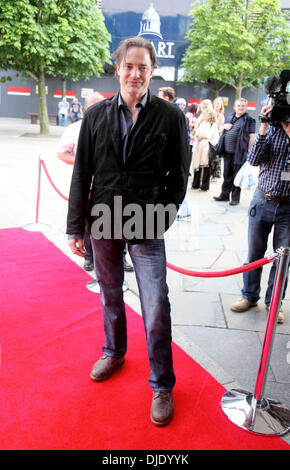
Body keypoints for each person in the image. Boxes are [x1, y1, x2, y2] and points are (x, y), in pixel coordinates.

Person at [66, 37, 190, 426]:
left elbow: (179, 176)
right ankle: (114, 351)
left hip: (147, 221)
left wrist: (161, 216)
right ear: (117, 68)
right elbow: (81, 171)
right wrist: (75, 226)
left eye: (143, 67)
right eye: (129, 66)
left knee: (155, 306)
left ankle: (162, 384)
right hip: (102, 217)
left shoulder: (171, 117)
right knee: (110, 293)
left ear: (152, 72)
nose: (135, 73)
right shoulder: (96, 115)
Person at [231, 104, 290, 324]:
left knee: (283, 259)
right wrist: (264, 126)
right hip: (262, 200)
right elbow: (253, 159)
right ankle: (249, 296)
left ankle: (274, 303)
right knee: (254, 254)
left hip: (287, 207)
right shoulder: (271, 130)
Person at [57, 92, 105, 271]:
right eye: (93, 104)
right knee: (87, 223)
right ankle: (89, 257)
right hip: (85, 183)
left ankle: (121, 258)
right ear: (86, 107)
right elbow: (62, 153)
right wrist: (84, 163)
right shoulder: (75, 128)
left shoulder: (116, 125)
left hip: (109, 187)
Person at [213, 98, 256, 205]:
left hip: (240, 152)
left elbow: (251, 137)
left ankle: (235, 198)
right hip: (227, 151)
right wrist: (223, 126)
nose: (240, 107)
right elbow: (221, 130)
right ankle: (224, 195)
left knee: (237, 176)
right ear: (234, 107)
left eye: (243, 106)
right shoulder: (229, 116)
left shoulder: (249, 120)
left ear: (246, 107)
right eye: (239, 105)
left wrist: (249, 153)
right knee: (226, 174)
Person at [158, 90, 191, 219]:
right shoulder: (167, 112)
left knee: (177, 181)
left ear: (166, 97)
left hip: (172, 156)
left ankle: (183, 210)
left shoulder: (175, 114)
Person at [191, 99, 219, 191]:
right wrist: (197, 135)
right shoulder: (201, 120)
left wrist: (201, 136)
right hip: (197, 145)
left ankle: (205, 186)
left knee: (206, 166)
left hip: (206, 146)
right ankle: (195, 184)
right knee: (196, 164)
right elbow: (195, 131)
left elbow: (211, 135)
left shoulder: (212, 123)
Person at [211, 97, 225, 180]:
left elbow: (219, 127)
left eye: (218, 103)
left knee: (216, 157)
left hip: (216, 138)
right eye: (215, 103)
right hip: (209, 137)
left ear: (221, 106)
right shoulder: (210, 113)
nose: (217, 105)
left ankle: (215, 174)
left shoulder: (220, 115)